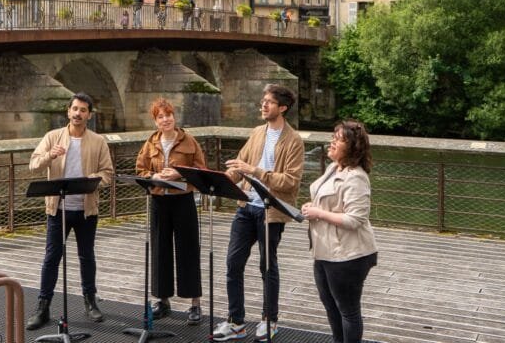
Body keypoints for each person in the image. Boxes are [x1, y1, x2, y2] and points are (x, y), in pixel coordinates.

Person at [213, 84, 304, 342]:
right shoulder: (256, 132)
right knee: (233, 263)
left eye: (269, 102)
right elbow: (239, 166)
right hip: (246, 207)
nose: (263, 105)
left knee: (267, 266)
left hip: (270, 210)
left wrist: (255, 171)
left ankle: (269, 320)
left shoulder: (294, 140)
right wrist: (222, 179)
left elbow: (290, 182)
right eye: (263, 101)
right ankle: (236, 322)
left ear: (282, 108)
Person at [26, 92, 115, 330]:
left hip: (86, 209)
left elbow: (108, 173)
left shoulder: (98, 141)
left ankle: (90, 302)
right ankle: (43, 307)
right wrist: (49, 155)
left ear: (89, 115)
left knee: (87, 256)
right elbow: (33, 165)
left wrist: (92, 179)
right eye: (74, 109)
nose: (78, 113)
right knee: (51, 258)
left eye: (83, 110)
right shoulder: (52, 137)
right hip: (58, 209)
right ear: (68, 111)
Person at [301, 120, 378, 343]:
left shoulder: (356, 177)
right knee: (331, 306)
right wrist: (313, 206)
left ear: (352, 147)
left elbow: (355, 219)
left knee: (348, 311)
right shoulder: (333, 167)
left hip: (348, 255)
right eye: (333, 138)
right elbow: (329, 202)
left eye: (339, 140)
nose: (332, 143)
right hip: (324, 251)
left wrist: (319, 213)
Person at [136, 98, 205, 326]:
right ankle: (162, 300)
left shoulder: (189, 141)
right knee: (159, 250)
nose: (165, 120)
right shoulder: (150, 143)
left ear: (174, 117)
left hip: (183, 200)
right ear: (155, 121)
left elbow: (201, 170)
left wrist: (179, 173)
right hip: (159, 201)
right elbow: (141, 170)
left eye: (168, 115)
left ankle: (195, 303)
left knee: (188, 250)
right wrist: (153, 176)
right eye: (160, 116)